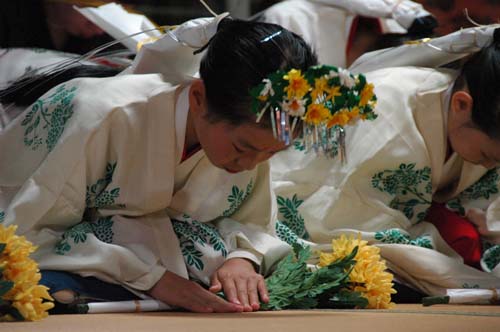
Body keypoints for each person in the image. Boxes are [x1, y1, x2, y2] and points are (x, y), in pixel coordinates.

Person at [0, 18, 318, 313]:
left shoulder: (253, 139)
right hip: (56, 216)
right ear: (198, 97)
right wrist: (153, 278)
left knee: (218, 264)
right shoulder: (104, 116)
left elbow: (255, 219)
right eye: (242, 148)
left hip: (147, 245)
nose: (251, 165)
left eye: (270, 154)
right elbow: (34, 228)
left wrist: (242, 261)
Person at [270, 26, 500, 295]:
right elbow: (336, 214)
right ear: (462, 105)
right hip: (306, 204)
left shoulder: (481, 129)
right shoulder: (385, 109)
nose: (489, 167)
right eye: (488, 156)